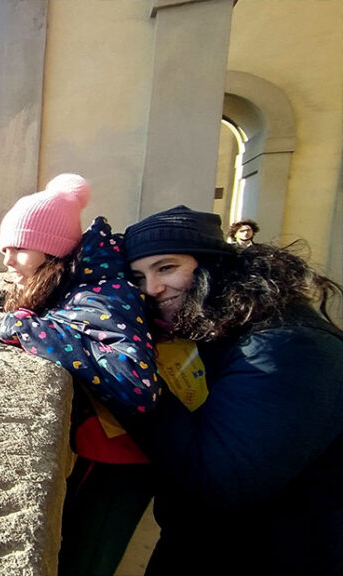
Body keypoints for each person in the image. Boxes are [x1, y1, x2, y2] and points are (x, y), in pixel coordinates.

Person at [123, 205, 343, 575]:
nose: (153, 289)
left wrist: (129, 381)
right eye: (139, 277)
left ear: (212, 264)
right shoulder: (230, 322)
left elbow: (218, 480)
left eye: (166, 267)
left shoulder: (287, 345)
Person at [0, 174, 161, 576]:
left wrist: (28, 328)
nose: (7, 261)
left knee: (87, 559)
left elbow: (136, 383)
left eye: (18, 248)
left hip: (120, 462)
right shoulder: (77, 282)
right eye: (5, 249)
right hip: (104, 452)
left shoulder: (100, 292)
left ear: (52, 250)